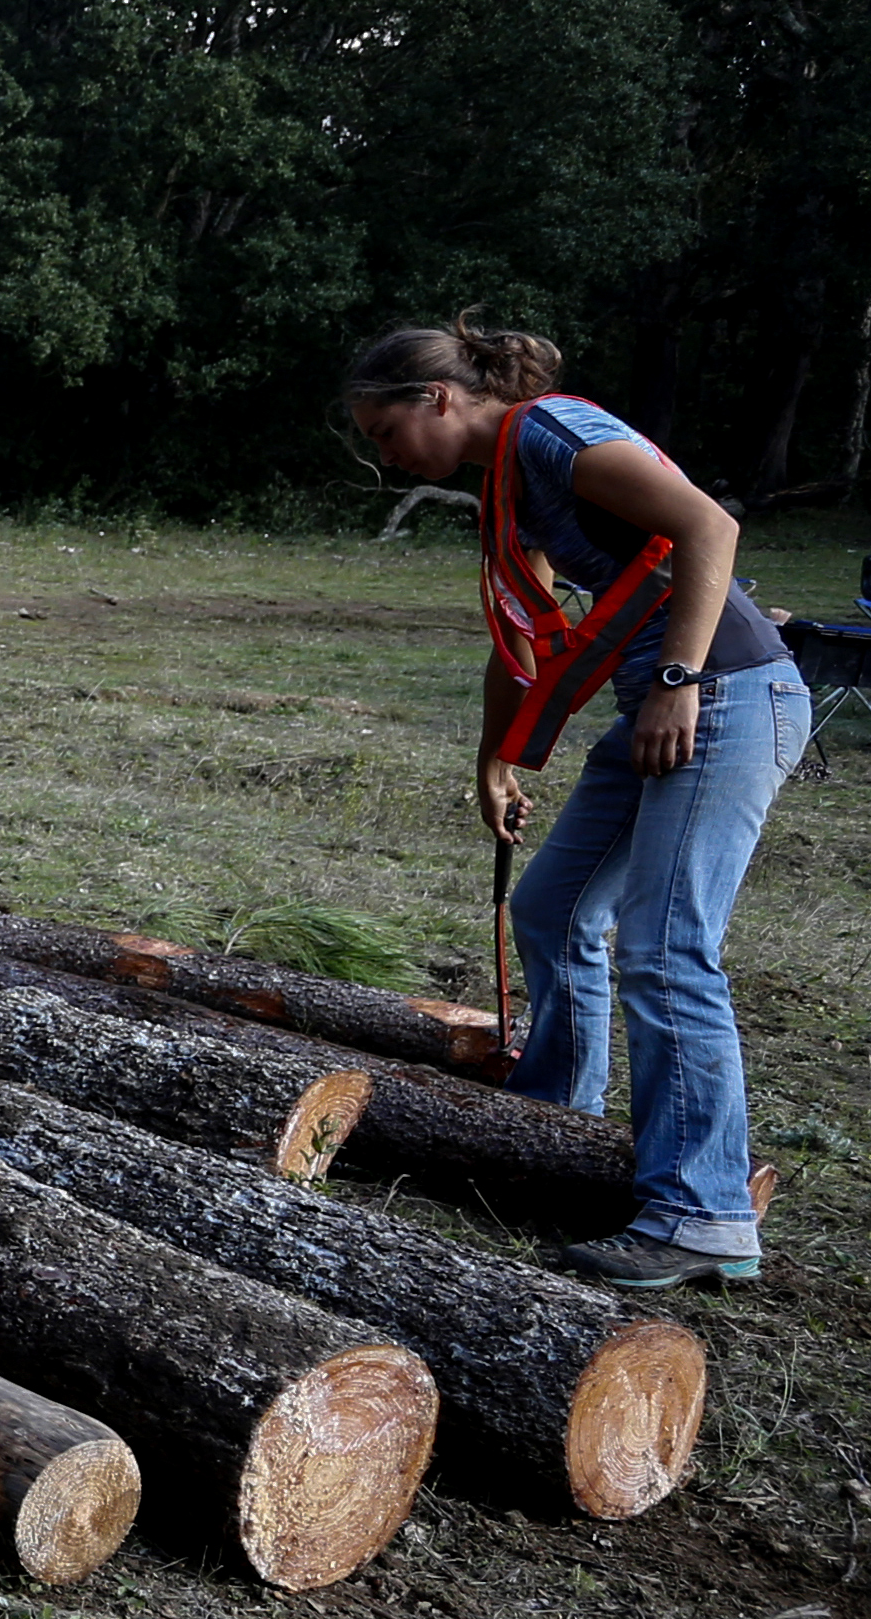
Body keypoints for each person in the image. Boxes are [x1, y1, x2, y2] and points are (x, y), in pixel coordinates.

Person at [345, 315, 811, 1290]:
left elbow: (708, 526)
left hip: (723, 695)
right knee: (552, 907)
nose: (384, 460)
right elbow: (521, 631)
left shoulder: (553, 435)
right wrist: (494, 759)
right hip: (660, 705)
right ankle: (549, 1124)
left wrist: (680, 675)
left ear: (436, 399)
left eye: (384, 434)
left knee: (666, 942)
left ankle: (705, 1212)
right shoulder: (508, 486)